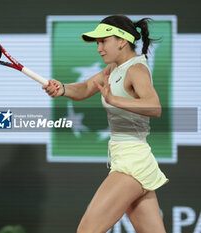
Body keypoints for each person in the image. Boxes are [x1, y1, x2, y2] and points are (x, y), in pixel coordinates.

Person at [43, 15, 169, 233]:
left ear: (121, 41)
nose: (98, 48)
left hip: (131, 164)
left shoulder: (135, 69)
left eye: (103, 41)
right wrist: (62, 88)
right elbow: (84, 88)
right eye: (97, 43)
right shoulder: (113, 69)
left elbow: (155, 106)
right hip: (131, 158)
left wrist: (114, 100)